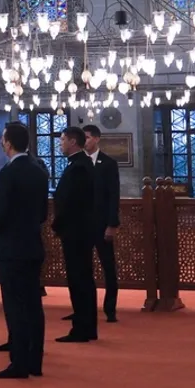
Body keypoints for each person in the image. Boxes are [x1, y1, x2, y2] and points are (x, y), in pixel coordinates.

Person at [0, 122, 49, 380]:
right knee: (33, 305)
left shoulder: (9, 173)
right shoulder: (38, 170)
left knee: (15, 307)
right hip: (32, 245)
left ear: (9, 143)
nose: (2, 143)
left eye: (3, 139)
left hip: (11, 248)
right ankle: (34, 361)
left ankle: (19, 363)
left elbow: (0, 212)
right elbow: (43, 213)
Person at [52, 126, 97, 343]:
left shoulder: (79, 167)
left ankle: (82, 328)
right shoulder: (80, 164)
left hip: (76, 232)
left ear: (72, 142)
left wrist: (58, 224)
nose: (60, 144)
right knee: (83, 279)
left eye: (62, 140)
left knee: (79, 280)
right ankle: (87, 326)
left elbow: (71, 203)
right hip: (79, 230)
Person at [82, 124, 121, 322]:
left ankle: (110, 309)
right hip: (82, 225)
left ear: (96, 139)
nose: (85, 141)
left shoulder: (108, 163)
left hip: (102, 224)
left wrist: (112, 224)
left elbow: (114, 196)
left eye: (87, 137)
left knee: (108, 267)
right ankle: (83, 308)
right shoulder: (78, 162)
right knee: (82, 269)